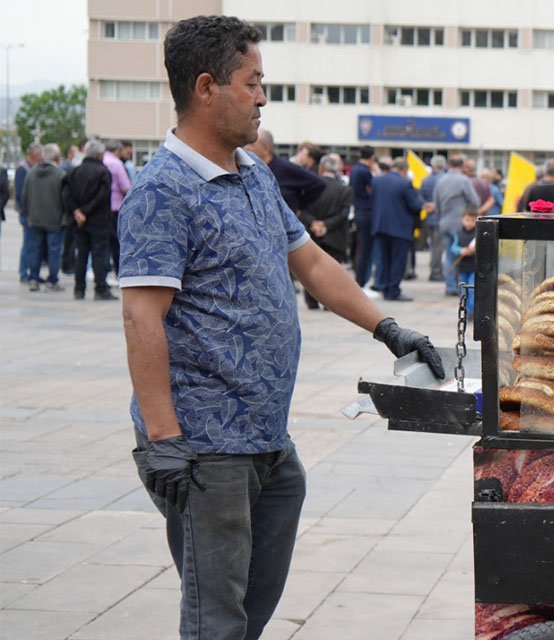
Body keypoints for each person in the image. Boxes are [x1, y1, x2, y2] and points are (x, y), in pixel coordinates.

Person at [118, 18, 445, 639]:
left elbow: (314, 264)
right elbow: (141, 316)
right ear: (208, 87)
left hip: (266, 438)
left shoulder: (252, 173)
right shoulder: (163, 191)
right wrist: (163, 438)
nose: (263, 97)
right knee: (214, 619)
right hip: (205, 447)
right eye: (254, 82)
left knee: (244, 615)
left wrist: (390, 328)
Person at [64, 140, 116, 301]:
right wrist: (86, 211)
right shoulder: (103, 172)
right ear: (100, 154)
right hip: (99, 221)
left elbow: (66, 194)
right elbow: (102, 196)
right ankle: (100, 289)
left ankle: (79, 289)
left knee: (81, 255)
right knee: (99, 255)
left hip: (80, 222)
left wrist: (77, 212)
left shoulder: (74, 172)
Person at [300, 153, 353, 309]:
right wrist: (326, 225)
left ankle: (311, 301)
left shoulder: (309, 187)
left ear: (321, 168)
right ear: (337, 170)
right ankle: (329, 303)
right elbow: (344, 215)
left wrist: (314, 223)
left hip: (311, 236)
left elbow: (301, 210)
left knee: (310, 270)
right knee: (332, 272)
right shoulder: (345, 189)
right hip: (335, 237)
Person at [371, 157, 425, 302]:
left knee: (384, 260)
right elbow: (415, 205)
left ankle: (385, 287)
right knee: (397, 261)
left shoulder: (377, 181)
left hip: (380, 226)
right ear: (404, 169)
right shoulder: (405, 183)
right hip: (399, 229)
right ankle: (393, 290)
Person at [244, 129, 325, 217]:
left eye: (251, 144)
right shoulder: (249, 168)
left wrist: (298, 207)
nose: (246, 148)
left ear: (266, 149)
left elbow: (318, 184)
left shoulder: (286, 168)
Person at [432, 154, 480, 295]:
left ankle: (450, 286)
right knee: (463, 254)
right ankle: (462, 286)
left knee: (450, 255)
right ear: (462, 165)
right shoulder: (463, 180)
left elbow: (436, 203)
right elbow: (475, 201)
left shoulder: (441, 180)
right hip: (461, 224)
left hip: (444, 222)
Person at [23, 144, 68, 292]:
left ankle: (33, 279)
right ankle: (52, 280)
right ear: (55, 157)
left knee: (34, 250)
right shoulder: (60, 174)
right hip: (54, 220)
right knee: (54, 251)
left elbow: (25, 196)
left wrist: (28, 214)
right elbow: (65, 199)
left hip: (35, 219)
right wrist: (64, 217)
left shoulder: (31, 172)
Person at [348, 146, 377, 287]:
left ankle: (360, 281)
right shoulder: (365, 172)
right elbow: (373, 190)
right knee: (366, 250)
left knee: (361, 248)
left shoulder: (355, 169)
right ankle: (362, 282)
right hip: (366, 213)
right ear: (372, 157)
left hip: (359, 211)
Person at [16, 142, 43, 286]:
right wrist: (26, 213)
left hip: (35, 214)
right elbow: (20, 195)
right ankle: (23, 272)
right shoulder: (23, 169)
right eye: (40, 156)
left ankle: (33, 273)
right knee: (29, 244)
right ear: (34, 155)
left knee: (34, 244)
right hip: (27, 214)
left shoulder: (34, 168)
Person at [104, 139, 133, 277]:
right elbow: (126, 187)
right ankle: (118, 271)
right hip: (115, 207)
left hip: (99, 208)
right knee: (116, 242)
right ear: (117, 151)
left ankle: (104, 270)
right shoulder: (116, 164)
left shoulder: (101, 160)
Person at [418, 154, 446, 281]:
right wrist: (436, 206)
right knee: (438, 247)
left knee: (433, 246)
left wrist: (427, 205)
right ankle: (436, 272)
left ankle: (434, 271)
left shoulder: (426, 180)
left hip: (429, 218)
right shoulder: (445, 179)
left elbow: (420, 197)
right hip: (441, 217)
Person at [452, 208, 480, 314]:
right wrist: (461, 250)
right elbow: (453, 247)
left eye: (473, 220)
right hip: (463, 267)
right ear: (462, 219)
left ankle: (471, 311)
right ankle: (465, 310)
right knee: (463, 290)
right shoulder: (458, 233)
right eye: (467, 220)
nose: (469, 222)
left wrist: (475, 250)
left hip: (474, 266)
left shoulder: (478, 233)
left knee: (472, 288)